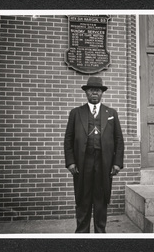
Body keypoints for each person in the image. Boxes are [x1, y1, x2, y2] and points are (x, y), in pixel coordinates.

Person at [64, 76, 124, 233]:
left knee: (100, 199)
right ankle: (82, 235)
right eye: (91, 90)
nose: (94, 93)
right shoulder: (76, 113)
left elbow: (119, 140)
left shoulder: (111, 113)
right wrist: (70, 162)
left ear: (102, 93)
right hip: (82, 163)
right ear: (86, 93)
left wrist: (117, 163)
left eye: (97, 90)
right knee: (83, 199)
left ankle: (100, 234)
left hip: (104, 163)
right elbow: (68, 140)